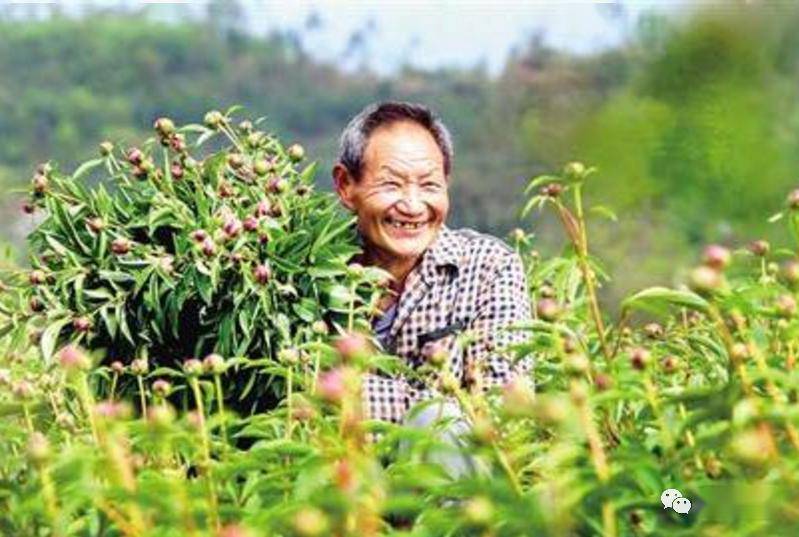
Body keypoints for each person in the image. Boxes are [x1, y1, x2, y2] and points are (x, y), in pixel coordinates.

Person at [331, 101, 533, 475]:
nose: (412, 205)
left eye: (429, 186)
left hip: (454, 499)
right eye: (391, 184)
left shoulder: (488, 267)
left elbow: (505, 408)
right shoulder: (309, 275)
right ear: (346, 186)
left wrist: (356, 404)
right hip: (341, 495)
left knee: (434, 423)